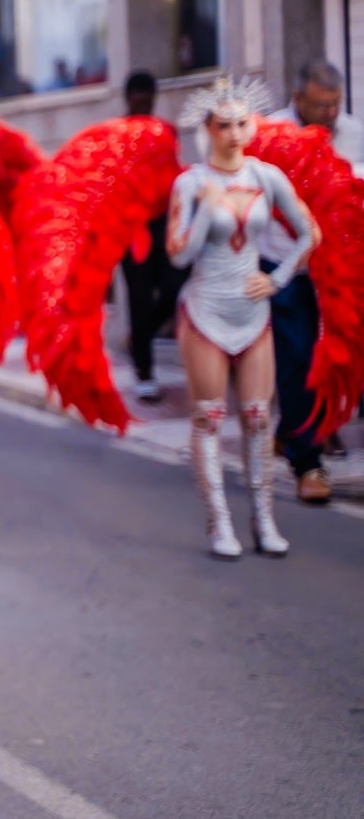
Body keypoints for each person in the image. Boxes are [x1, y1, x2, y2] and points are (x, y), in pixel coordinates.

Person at [168, 78, 314, 560]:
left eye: (241, 123)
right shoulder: (189, 183)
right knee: (209, 418)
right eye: (223, 125)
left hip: (253, 311)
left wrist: (277, 279)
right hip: (206, 310)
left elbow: (308, 233)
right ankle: (219, 525)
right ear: (207, 129)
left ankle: (265, 521)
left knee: (257, 419)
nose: (234, 133)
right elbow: (178, 256)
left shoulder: (266, 176)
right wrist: (206, 214)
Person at [260, 59, 359, 504]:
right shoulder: (268, 137)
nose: (330, 114)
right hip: (287, 266)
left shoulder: (355, 134)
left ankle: (293, 431)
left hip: (343, 270)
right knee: (298, 357)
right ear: (298, 99)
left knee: (345, 355)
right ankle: (307, 464)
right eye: (321, 105)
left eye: (336, 104)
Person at [118, 70, 188, 403]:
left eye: (149, 98)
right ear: (128, 99)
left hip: (163, 222)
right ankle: (144, 372)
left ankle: (140, 336)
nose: (144, 103)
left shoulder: (166, 132)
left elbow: (174, 174)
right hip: (131, 228)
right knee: (139, 297)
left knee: (174, 286)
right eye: (138, 98)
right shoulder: (115, 137)